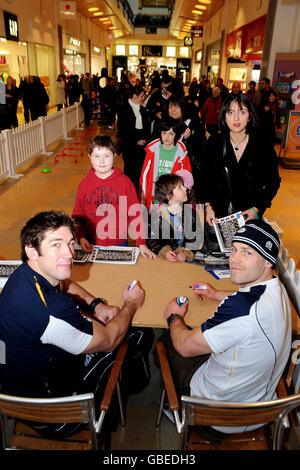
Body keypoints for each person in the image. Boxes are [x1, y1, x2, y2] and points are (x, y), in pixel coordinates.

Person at [0, 211, 149, 438]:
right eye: (56, 244)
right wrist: (130, 304)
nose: (69, 253)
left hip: (13, 395)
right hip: (54, 416)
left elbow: (63, 283)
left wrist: (96, 305)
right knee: (135, 334)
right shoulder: (53, 310)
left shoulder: (21, 275)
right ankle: (136, 390)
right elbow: (109, 339)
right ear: (32, 250)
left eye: (70, 243)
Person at [159, 219, 291, 442]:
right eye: (234, 249)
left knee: (167, 338)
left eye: (247, 252)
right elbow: (248, 300)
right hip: (262, 406)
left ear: (268, 262)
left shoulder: (240, 309)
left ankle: (178, 411)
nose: (234, 259)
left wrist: (174, 316)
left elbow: (184, 346)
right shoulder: (279, 287)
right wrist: (216, 294)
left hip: (219, 418)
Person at [202, 92, 281, 226]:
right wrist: (207, 206)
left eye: (242, 112)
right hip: (217, 215)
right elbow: (204, 177)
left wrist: (257, 208)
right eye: (231, 112)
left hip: (248, 215)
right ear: (224, 116)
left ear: (250, 115)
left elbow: (273, 182)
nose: (236, 118)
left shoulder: (263, 145)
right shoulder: (215, 142)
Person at [72, 134, 155, 259]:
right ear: (90, 157)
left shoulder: (125, 182)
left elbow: (136, 214)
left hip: (119, 242)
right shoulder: (84, 184)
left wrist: (141, 243)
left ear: (114, 156)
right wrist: (81, 236)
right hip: (91, 242)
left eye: (107, 155)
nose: (101, 160)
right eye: (97, 156)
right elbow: (78, 216)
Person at [146, 171, 204, 262]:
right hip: (165, 262)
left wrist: (186, 251)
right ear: (169, 196)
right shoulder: (157, 215)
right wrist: (164, 251)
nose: (185, 188)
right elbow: (152, 239)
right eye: (180, 187)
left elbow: (196, 236)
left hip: (185, 262)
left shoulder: (190, 213)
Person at [139, 118, 192, 211]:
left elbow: (186, 181)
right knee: (155, 222)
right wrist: (142, 196)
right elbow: (144, 176)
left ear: (177, 136)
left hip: (172, 199)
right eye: (164, 133)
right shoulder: (152, 151)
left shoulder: (182, 156)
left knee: (169, 223)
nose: (166, 137)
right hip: (153, 196)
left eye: (170, 134)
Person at [117, 85, 151, 191]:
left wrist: (146, 139)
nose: (143, 98)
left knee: (140, 169)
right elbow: (123, 130)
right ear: (135, 96)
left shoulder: (143, 109)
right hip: (129, 143)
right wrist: (135, 141)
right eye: (142, 96)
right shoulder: (124, 109)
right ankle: (127, 192)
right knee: (129, 169)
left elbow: (146, 127)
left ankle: (137, 192)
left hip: (142, 143)